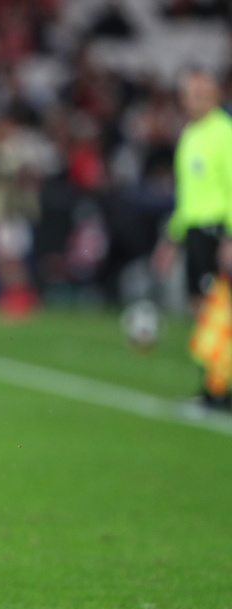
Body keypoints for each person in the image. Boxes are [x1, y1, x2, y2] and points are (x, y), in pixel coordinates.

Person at [151, 66, 232, 410]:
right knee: (200, 308)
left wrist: (230, 237)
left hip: (216, 229)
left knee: (218, 310)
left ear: (215, 94)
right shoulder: (189, 135)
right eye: (189, 94)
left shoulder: (223, 133)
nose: (194, 99)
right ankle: (212, 388)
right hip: (195, 231)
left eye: (201, 92)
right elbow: (187, 196)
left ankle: (219, 393)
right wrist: (171, 239)